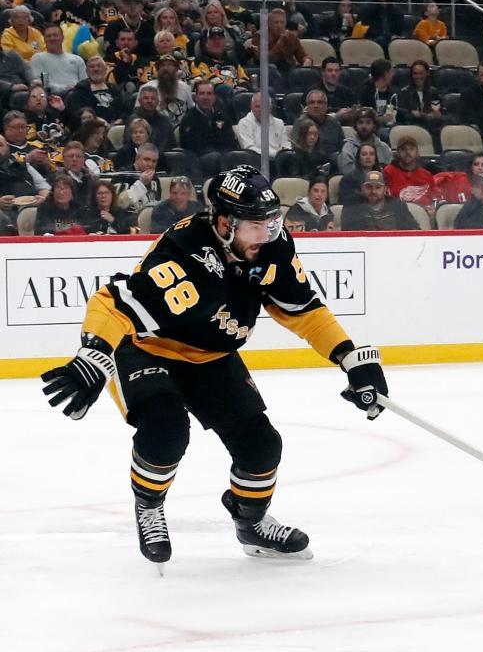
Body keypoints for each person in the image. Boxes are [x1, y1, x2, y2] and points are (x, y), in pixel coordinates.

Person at [40, 164, 389, 567]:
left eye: (271, 223)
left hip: (211, 356)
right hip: (148, 349)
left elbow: (303, 309)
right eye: (255, 226)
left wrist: (348, 356)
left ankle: (251, 523)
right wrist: (94, 355)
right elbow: (113, 303)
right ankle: (149, 504)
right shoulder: (186, 253)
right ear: (224, 222)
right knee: (166, 431)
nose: (267, 234)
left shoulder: (271, 245)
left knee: (262, 447)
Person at [178, 79, 237, 177]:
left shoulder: (222, 116)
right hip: (198, 161)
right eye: (202, 93)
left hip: (223, 156)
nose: (205, 97)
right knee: (215, 157)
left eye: (209, 94)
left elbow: (230, 140)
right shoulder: (188, 119)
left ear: (214, 97)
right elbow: (188, 146)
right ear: (195, 97)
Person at [341, 169, 420, 231]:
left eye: (378, 187)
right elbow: (347, 233)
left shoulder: (398, 205)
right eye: (369, 187)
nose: (373, 191)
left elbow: (413, 230)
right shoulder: (352, 206)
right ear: (362, 188)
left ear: (385, 189)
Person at [65, 55, 126, 127]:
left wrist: (119, 121)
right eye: (92, 66)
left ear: (105, 70)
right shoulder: (79, 91)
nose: (96, 69)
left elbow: (124, 110)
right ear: (87, 71)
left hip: (116, 127)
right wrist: (98, 121)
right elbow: (78, 114)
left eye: (99, 66)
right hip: (92, 128)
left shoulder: (115, 89)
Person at [383, 135, 439, 209]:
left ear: (417, 152)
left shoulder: (427, 175)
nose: (408, 152)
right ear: (398, 152)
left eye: (411, 149)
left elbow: (434, 200)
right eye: (403, 149)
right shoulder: (388, 172)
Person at [337, 107, 392, 176]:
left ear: (374, 125)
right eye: (360, 122)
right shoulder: (348, 147)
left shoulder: (384, 147)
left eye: (368, 122)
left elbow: (390, 171)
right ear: (355, 126)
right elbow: (347, 172)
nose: (364, 126)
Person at [252, 7, 312, 71]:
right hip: (268, 72)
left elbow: (302, 55)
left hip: (289, 71)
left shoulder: (291, 36)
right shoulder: (259, 36)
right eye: (276, 22)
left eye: (282, 22)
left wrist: (307, 60)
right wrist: (279, 44)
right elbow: (263, 59)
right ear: (269, 24)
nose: (279, 25)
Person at [236, 94, 289, 159]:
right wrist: (276, 153)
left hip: (279, 161)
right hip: (256, 161)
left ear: (270, 108)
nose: (260, 109)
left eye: (264, 107)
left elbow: (286, 144)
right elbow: (249, 149)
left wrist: (285, 152)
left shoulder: (279, 123)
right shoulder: (244, 123)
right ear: (251, 107)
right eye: (257, 106)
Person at [116, 143, 160, 213]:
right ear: (137, 158)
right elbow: (119, 204)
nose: (150, 164)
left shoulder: (154, 178)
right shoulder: (122, 175)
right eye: (146, 159)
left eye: (154, 161)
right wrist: (141, 183)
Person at [300, 90, 345, 157]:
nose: (315, 106)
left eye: (320, 102)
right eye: (312, 102)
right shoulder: (300, 124)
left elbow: (342, 147)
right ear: (307, 106)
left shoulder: (334, 122)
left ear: (326, 106)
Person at [130, 85, 174, 152]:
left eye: (153, 98)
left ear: (157, 102)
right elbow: (129, 145)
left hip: (163, 158)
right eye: (146, 98)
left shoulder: (165, 120)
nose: (149, 101)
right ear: (139, 101)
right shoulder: (133, 120)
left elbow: (173, 145)